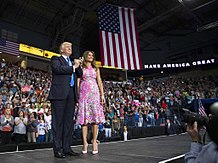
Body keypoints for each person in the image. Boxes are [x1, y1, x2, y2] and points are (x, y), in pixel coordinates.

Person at [48, 42, 83, 158]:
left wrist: (78, 65)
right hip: (59, 94)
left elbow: (80, 74)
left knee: (68, 123)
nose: (70, 49)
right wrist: (73, 67)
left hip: (71, 95)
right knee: (58, 123)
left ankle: (67, 148)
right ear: (62, 50)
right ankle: (58, 149)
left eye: (71, 47)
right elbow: (58, 69)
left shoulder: (73, 62)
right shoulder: (56, 59)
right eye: (67, 47)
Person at [76, 50, 105, 154]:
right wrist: (78, 94)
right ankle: (84, 143)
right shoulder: (81, 67)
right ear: (85, 56)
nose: (91, 56)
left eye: (92, 55)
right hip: (84, 94)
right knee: (84, 121)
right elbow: (78, 81)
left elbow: (100, 81)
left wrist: (102, 95)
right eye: (89, 55)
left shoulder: (96, 68)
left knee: (94, 120)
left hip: (94, 94)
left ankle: (94, 142)